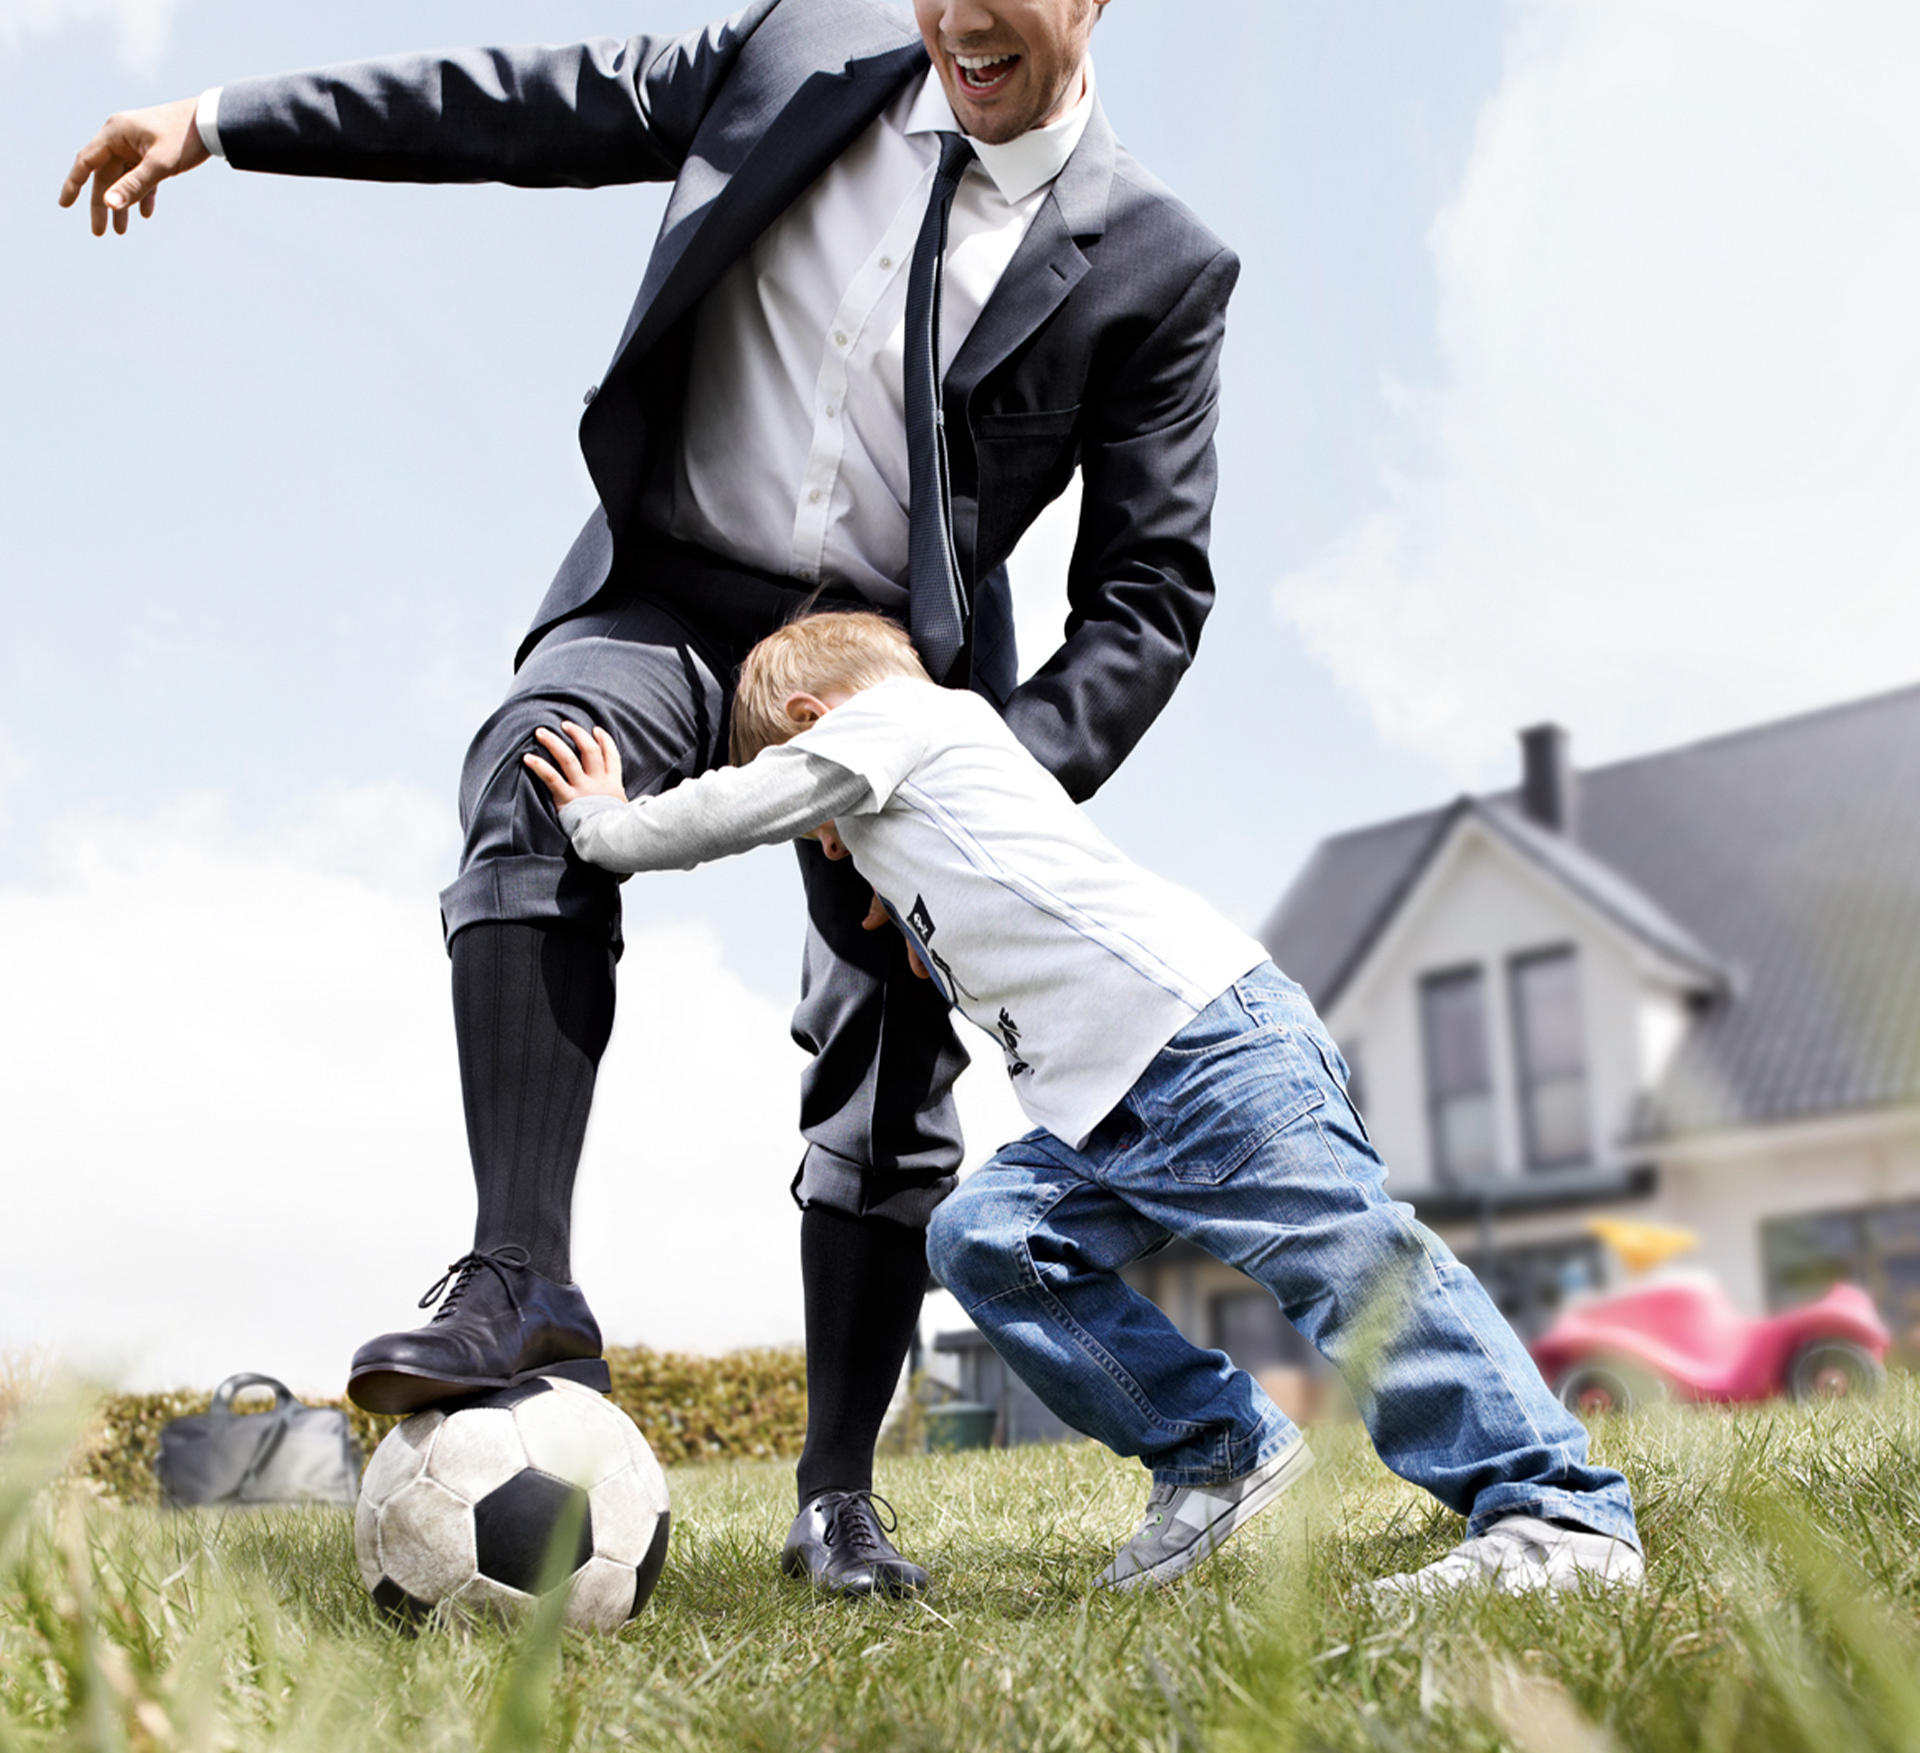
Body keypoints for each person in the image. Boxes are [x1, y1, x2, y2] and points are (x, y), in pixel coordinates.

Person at [58, 0, 1236, 1597]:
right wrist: (224, 118)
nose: (958, 16)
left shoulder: (1152, 262)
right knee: (529, 774)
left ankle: (838, 1495)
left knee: (895, 1041)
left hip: (888, 680)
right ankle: (521, 1275)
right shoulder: (797, 52)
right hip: (676, 597)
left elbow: (1149, 597)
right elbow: (512, 108)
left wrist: (988, 784)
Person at [522, 609, 1646, 1597]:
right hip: (1105, 1117)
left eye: (822, 823)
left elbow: (753, 800)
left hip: (1204, 1050)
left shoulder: (904, 720)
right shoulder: (944, 793)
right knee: (984, 1236)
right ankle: (1216, 1451)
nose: (827, 842)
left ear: (816, 720)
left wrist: (609, 825)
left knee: (1357, 1272)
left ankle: (1557, 1515)